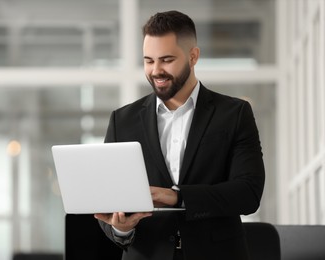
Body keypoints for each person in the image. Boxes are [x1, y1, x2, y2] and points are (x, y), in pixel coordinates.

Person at [94, 10, 265, 260]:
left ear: (193, 56)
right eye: (149, 61)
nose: (156, 71)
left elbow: (248, 193)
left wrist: (178, 197)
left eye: (166, 60)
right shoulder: (122, 121)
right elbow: (110, 198)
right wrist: (120, 228)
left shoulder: (234, 114)